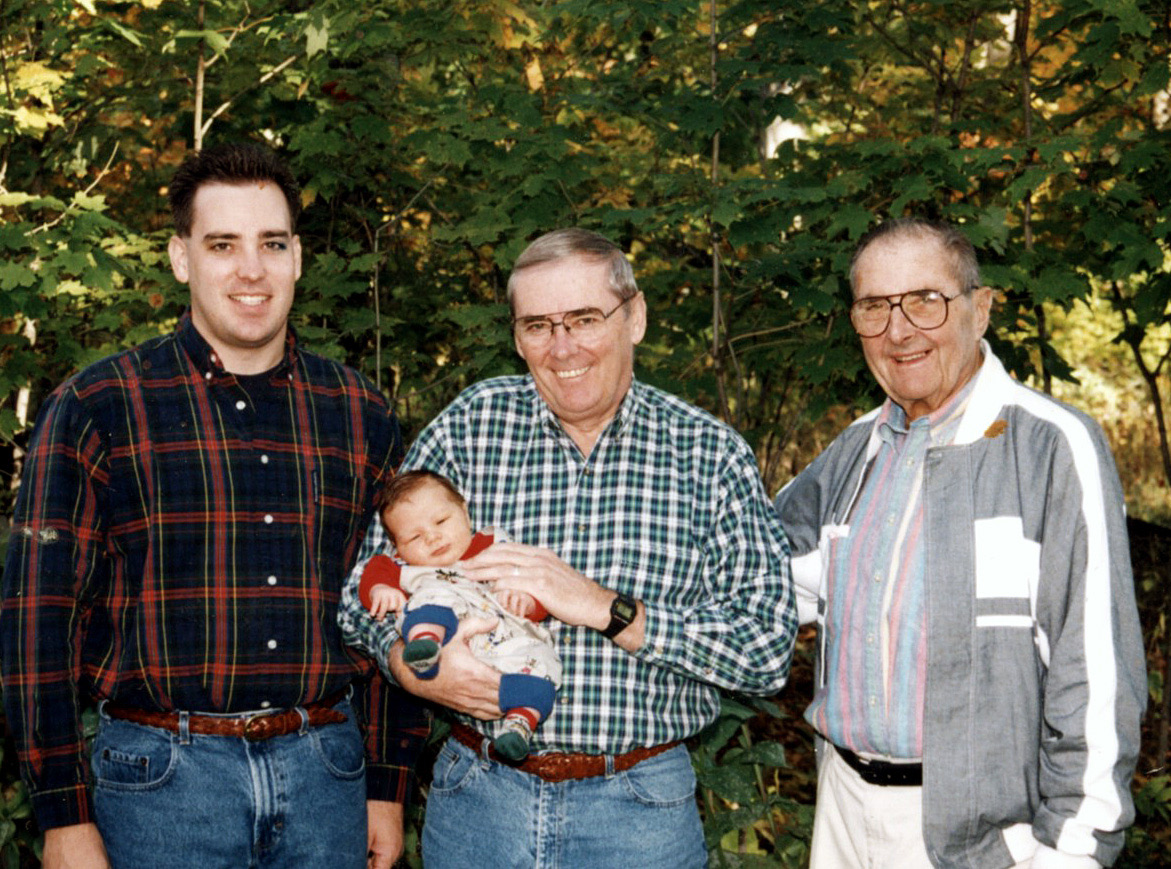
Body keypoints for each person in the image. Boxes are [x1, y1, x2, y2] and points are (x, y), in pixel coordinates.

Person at [0, 142, 428, 869]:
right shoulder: (100, 406)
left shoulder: (360, 413)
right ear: (181, 257)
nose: (251, 269)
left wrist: (387, 783)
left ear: (298, 258)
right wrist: (62, 814)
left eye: (272, 243)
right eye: (222, 244)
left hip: (327, 780)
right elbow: (37, 621)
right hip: (160, 787)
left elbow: (404, 598)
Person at [339, 226, 797, 868]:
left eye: (584, 319)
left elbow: (767, 649)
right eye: (538, 326)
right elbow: (358, 593)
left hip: (639, 812)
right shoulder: (471, 427)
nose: (562, 347)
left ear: (635, 316)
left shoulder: (709, 454)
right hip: (479, 803)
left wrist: (608, 609)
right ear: (516, 337)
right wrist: (406, 661)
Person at [773, 217, 1146, 869]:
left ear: (981, 309)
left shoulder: (1050, 448)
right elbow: (756, 578)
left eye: (925, 300)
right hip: (842, 812)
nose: (898, 330)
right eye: (874, 306)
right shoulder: (854, 451)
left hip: (982, 837)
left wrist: (1074, 851)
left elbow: (1095, 671)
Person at [357, 469, 562, 760]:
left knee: (543, 660)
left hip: (504, 635)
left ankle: (519, 725)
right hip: (449, 634)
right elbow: (374, 572)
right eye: (415, 537)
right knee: (433, 597)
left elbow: (537, 592)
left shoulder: (494, 545)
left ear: (464, 512)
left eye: (441, 521)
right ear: (398, 549)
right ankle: (425, 645)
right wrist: (380, 589)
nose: (433, 537)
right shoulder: (408, 568)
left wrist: (525, 601)